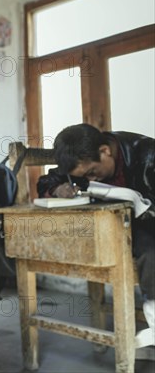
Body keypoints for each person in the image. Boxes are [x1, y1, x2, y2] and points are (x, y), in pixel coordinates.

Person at [37, 123, 155, 350]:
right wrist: (59, 189)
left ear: (105, 151)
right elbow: (46, 182)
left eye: (92, 172)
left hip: (147, 226)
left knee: (150, 251)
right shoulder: (79, 160)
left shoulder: (148, 154)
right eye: (82, 177)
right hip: (111, 227)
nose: (92, 179)